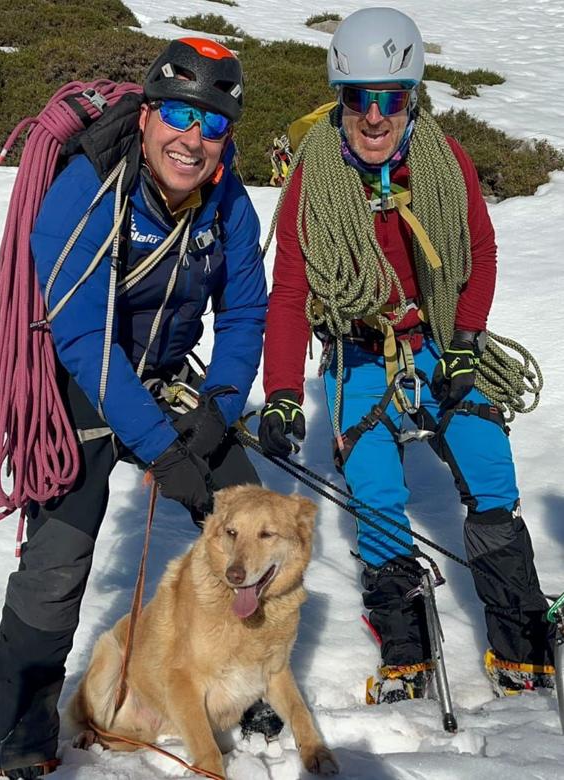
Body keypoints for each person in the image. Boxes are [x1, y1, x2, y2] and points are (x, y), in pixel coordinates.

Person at [0, 37, 268, 778]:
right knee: (56, 564)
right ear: (145, 116)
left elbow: (244, 314)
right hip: (78, 383)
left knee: (251, 520)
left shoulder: (228, 199)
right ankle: (22, 727)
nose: (192, 138)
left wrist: (220, 405)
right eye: (177, 113)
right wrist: (164, 449)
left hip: (169, 379)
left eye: (211, 124)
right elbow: (78, 331)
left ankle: (240, 681)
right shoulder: (86, 188)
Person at [259, 7, 554, 705]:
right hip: (360, 352)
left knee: (490, 472)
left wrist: (466, 342)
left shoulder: (444, 162)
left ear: (412, 96)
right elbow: (290, 292)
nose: (373, 115)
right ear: (341, 97)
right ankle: (405, 644)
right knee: (377, 490)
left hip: (441, 341)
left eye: (390, 98)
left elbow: (479, 253)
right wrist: (281, 392)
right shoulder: (316, 176)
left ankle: (521, 639)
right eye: (358, 97)